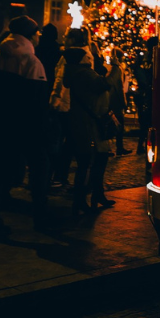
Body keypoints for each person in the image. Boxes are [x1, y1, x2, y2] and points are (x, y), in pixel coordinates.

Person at [0, 16, 50, 237]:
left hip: (2, 125)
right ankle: (40, 219)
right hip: (27, 128)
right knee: (39, 171)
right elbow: (37, 102)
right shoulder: (31, 61)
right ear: (29, 35)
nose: (39, 36)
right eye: (37, 33)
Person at [63, 47, 114, 213]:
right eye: (87, 56)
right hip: (89, 123)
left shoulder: (74, 72)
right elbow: (104, 84)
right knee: (88, 161)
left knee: (88, 161)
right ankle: (81, 199)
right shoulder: (84, 73)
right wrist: (115, 69)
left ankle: (89, 196)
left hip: (82, 122)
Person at [49, 28, 93, 187]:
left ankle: (57, 176)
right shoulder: (88, 55)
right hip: (79, 104)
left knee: (62, 142)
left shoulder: (69, 56)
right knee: (71, 142)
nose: (64, 38)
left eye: (67, 36)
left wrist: (54, 101)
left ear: (73, 40)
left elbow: (60, 80)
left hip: (65, 103)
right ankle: (62, 176)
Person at [106, 48, 131, 155]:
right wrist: (123, 102)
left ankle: (114, 147)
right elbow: (119, 87)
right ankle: (118, 147)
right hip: (116, 101)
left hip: (111, 100)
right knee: (118, 125)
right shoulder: (117, 69)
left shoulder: (110, 68)